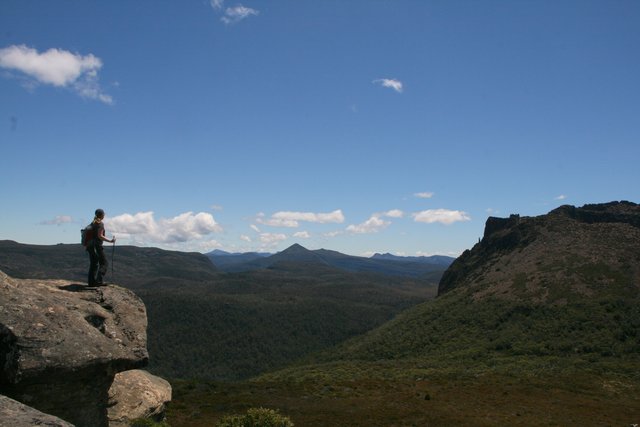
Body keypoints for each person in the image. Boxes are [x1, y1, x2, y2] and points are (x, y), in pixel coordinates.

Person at [87, 208, 116, 286]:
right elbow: (100, 236)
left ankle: (91, 282)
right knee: (104, 263)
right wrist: (110, 241)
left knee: (94, 263)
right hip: (97, 246)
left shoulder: (92, 223)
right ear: (102, 215)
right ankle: (99, 281)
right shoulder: (100, 224)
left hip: (90, 246)